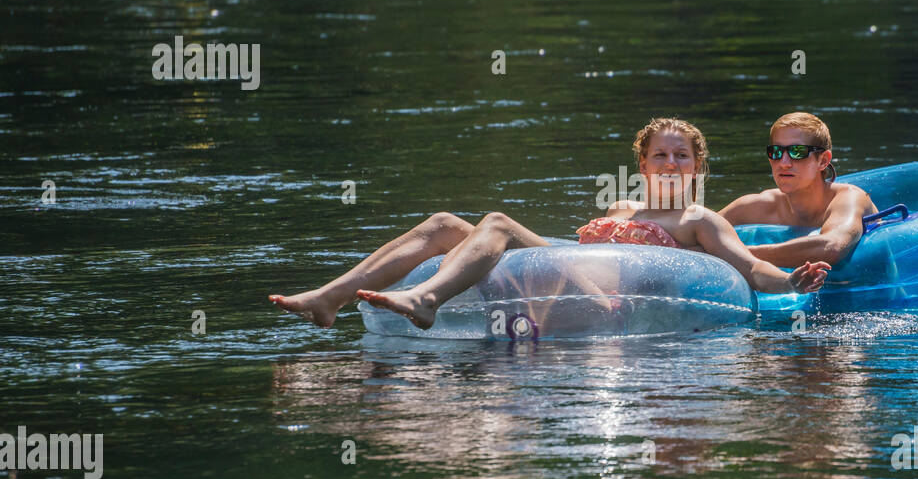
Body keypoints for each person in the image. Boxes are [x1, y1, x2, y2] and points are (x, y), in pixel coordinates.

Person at [270, 118, 830, 331]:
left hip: (616, 306)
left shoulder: (700, 219)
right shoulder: (621, 212)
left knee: (497, 222)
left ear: (698, 167)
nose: (671, 164)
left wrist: (792, 282)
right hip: (568, 281)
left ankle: (426, 298)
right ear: (642, 165)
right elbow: (573, 252)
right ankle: (330, 297)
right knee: (444, 222)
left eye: (682, 157)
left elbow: (750, 267)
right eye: (660, 155)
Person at [720, 112, 877, 267]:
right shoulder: (758, 206)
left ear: (823, 160)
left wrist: (737, 254)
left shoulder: (850, 199)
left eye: (797, 152)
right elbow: (700, 227)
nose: (784, 162)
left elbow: (832, 248)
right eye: (776, 152)